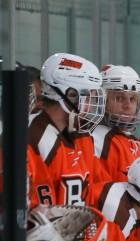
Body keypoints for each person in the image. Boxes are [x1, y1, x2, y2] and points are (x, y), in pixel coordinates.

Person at [28, 52, 108, 209]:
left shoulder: (73, 136)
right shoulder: (36, 137)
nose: (93, 103)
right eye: (88, 95)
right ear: (70, 95)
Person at [92, 65, 140, 182]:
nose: (127, 106)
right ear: (102, 100)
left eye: (132, 99)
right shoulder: (95, 139)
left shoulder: (138, 144)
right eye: (119, 98)